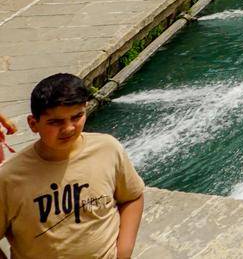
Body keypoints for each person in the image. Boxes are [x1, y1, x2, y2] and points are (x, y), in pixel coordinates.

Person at [0, 74, 144, 259]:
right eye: (55, 122)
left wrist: (123, 253)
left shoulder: (108, 149)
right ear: (33, 124)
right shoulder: (9, 177)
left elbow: (132, 196)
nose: (68, 128)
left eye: (77, 117)